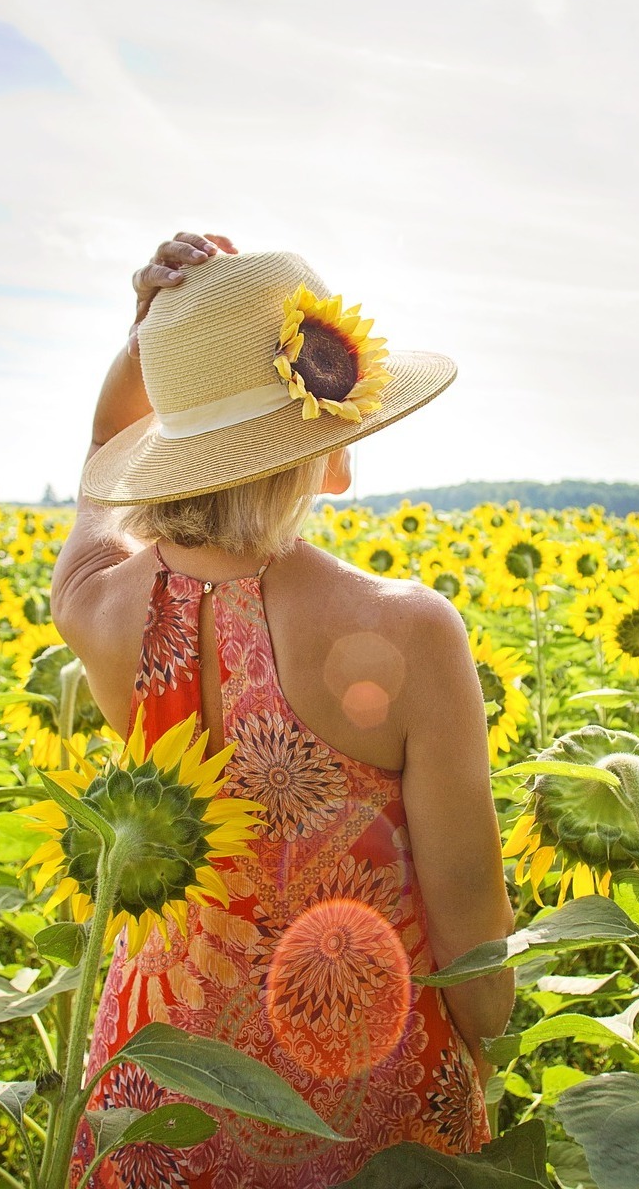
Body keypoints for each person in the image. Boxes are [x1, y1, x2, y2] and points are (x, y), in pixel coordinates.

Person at [50, 231, 515, 1189]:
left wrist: (150, 343)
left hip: (157, 1092)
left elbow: (101, 461)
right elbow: (468, 908)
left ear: (166, 446)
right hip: (365, 1093)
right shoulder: (409, 630)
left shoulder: (99, 606)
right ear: (327, 450)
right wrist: (484, 1060)